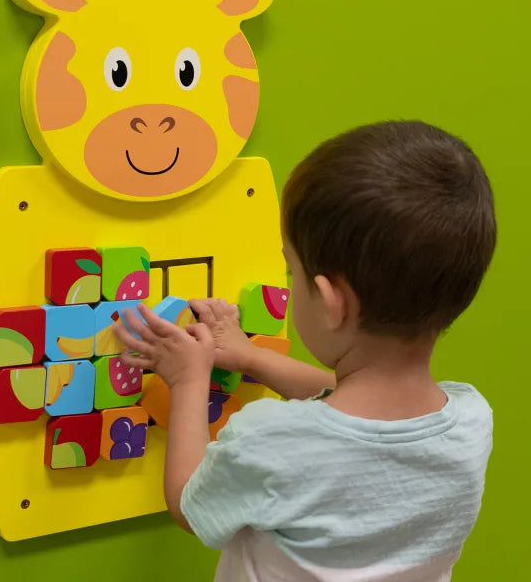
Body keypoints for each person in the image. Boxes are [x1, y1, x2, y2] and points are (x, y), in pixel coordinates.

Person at [115, 120, 496, 581]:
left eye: (291, 272)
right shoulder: (472, 422)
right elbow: (352, 405)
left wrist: (189, 380)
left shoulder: (272, 439)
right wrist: (253, 357)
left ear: (332, 303)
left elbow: (189, 506)